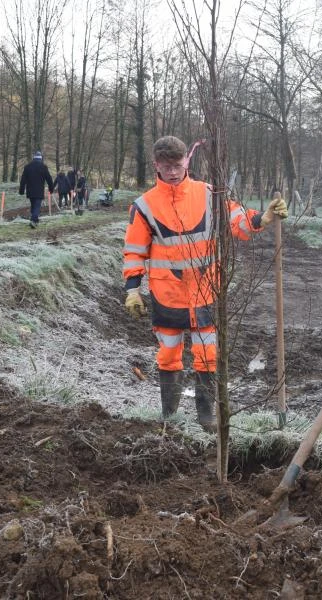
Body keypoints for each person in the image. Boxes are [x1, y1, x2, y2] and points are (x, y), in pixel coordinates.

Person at [122, 135, 288, 431]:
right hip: (166, 294)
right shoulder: (144, 206)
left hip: (206, 291)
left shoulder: (209, 194)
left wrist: (262, 218)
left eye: (177, 165)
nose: (172, 171)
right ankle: (169, 416)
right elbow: (135, 250)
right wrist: (133, 289)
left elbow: (236, 219)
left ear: (186, 161)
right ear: (155, 165)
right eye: (165, 166)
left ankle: (207, 416)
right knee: (169, 354)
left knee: (207, 354)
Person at [19, 150, 54, 228]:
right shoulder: (43, 167)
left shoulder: (27, 167)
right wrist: (51, 189)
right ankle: (34, 220)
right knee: (37, 206)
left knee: (33, 205)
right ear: (40, 158)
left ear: (33, 158)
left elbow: (23, 180)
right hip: (39, 190)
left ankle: (34, 220)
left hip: (30, 190)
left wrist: (21, 190)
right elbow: (49, 178)